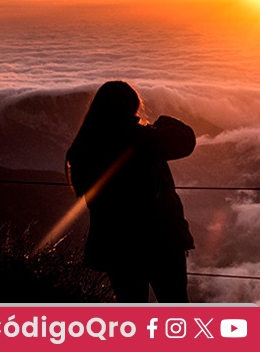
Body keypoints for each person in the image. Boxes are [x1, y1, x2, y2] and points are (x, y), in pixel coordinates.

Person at [65, 81, 196, 303]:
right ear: (132, 107)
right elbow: (186, 142)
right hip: (160, 241)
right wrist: (164, 121)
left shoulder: (85, 147)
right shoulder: (142, 139)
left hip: (116, 245)